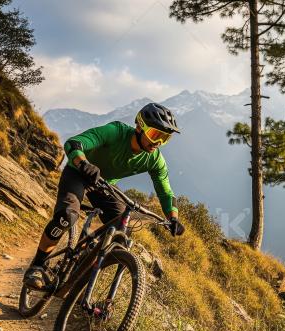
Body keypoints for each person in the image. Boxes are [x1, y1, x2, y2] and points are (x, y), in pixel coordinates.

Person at [23, 102, 185, 289]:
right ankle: (37, 266)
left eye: (164, 138)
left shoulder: (155, 159)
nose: (158, 143)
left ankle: (80, 268)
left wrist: (173, 217)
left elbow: (166, 191)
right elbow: (74, 143)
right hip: (78, 173)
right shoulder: (115, 132)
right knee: (66, 216)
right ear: (140, 127)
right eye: (155, 135)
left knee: (120, 232)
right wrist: (83, 163)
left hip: (104, 185)